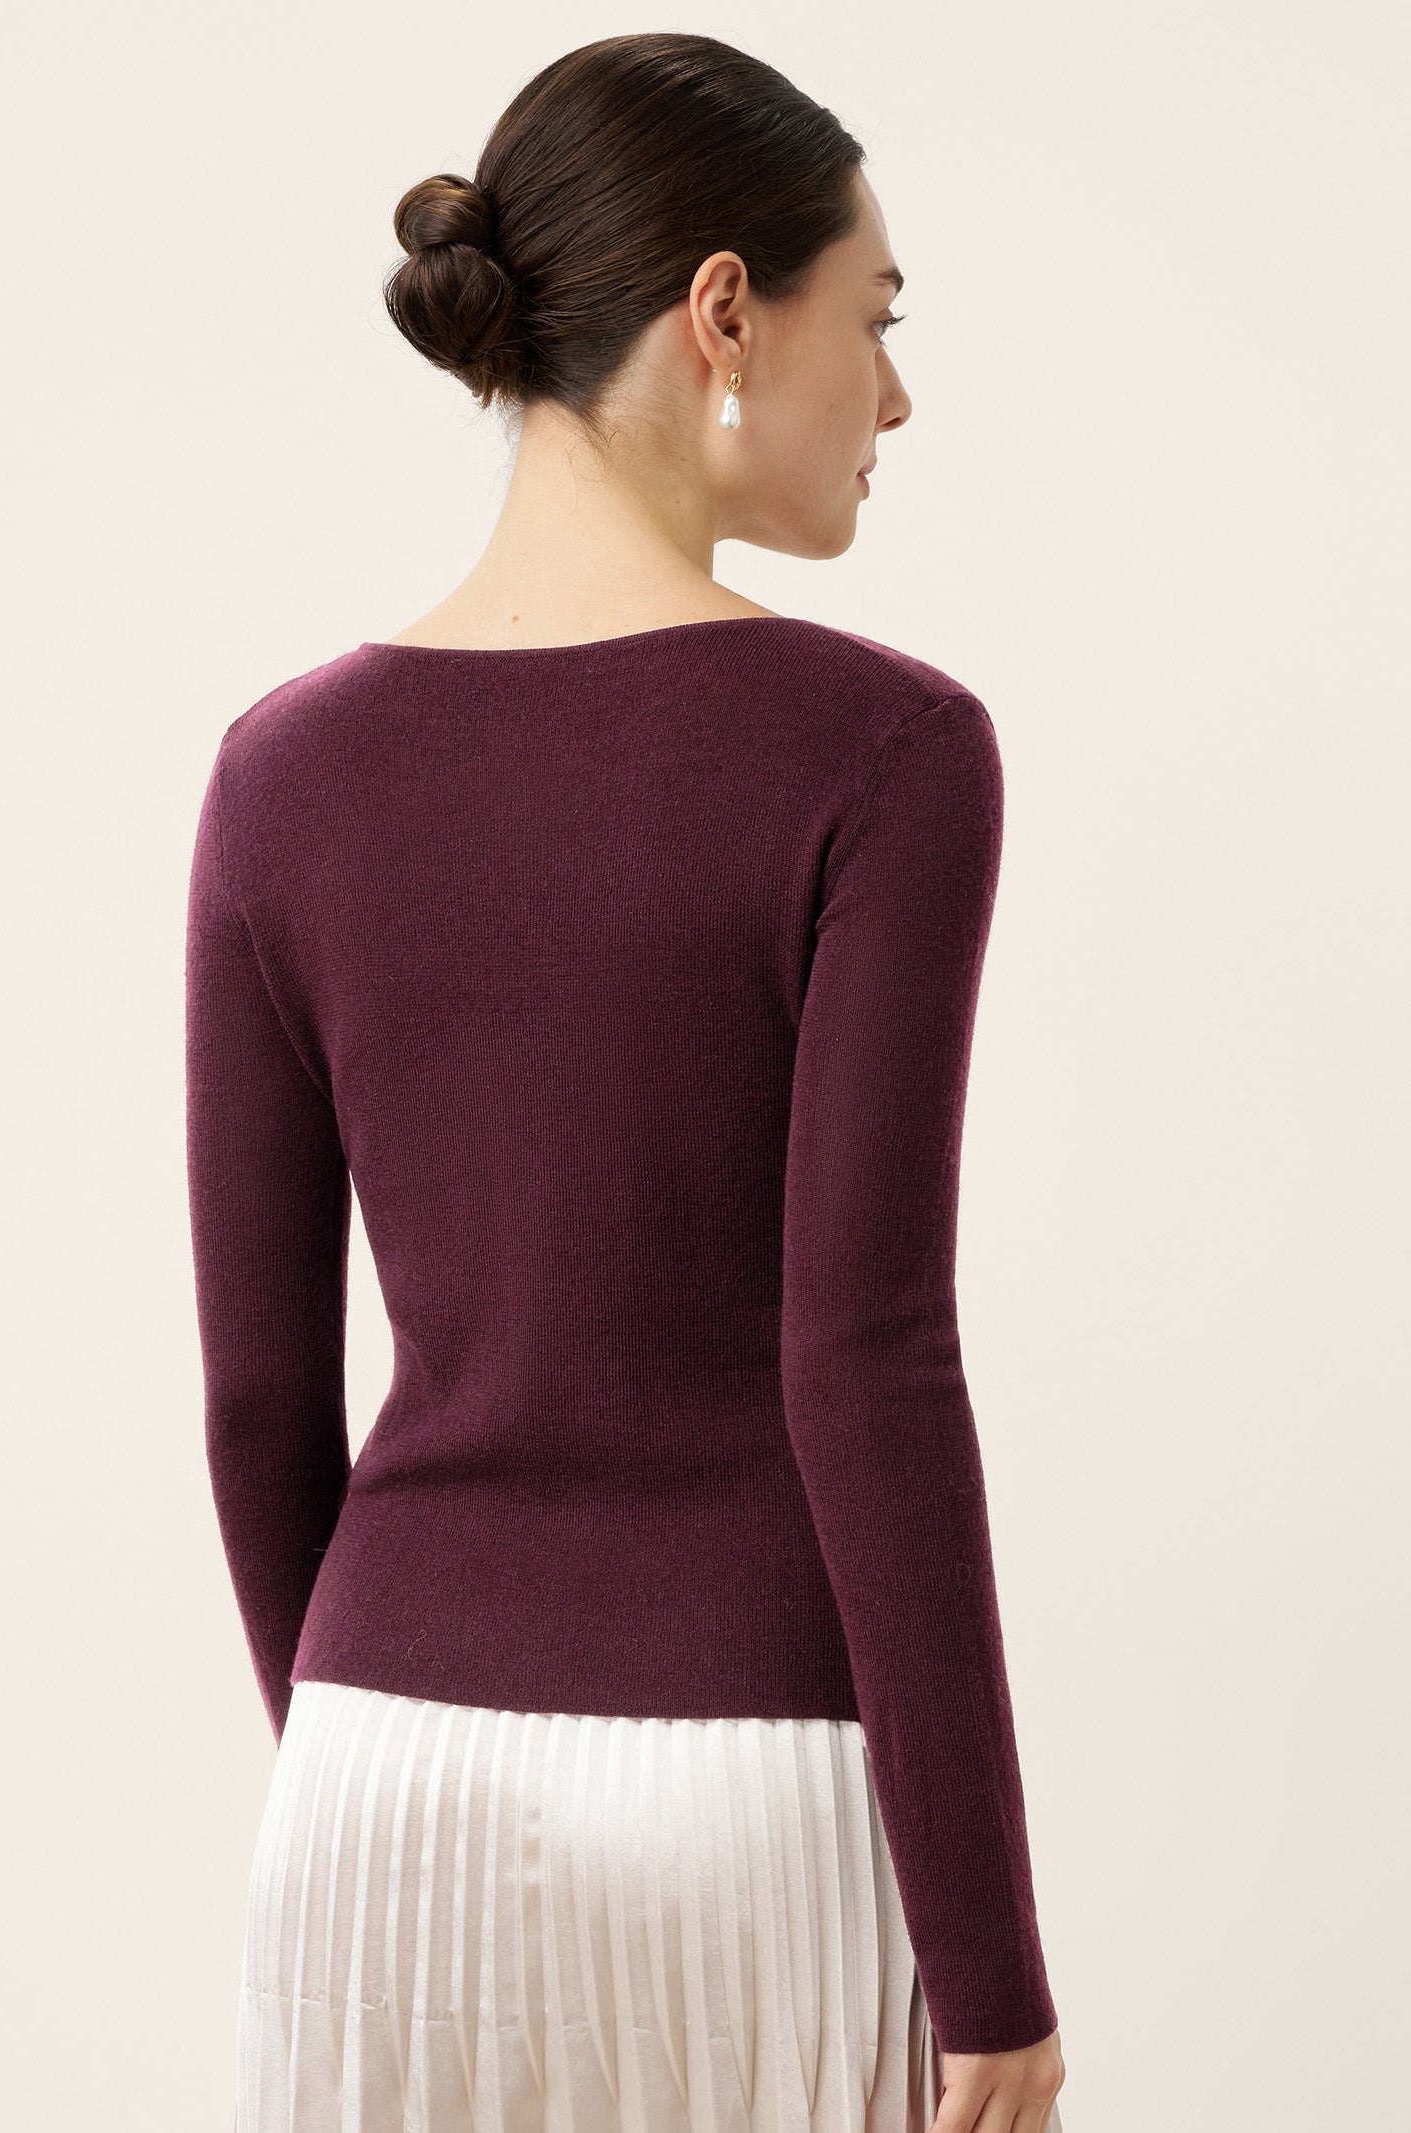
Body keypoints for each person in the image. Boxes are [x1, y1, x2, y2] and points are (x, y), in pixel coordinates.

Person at [185, 30, 1068, 2133]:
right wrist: (989, 1963)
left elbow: (254, 1399)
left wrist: (361, 1745)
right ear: (724, 313)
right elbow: (864, 1358)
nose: (896, 397)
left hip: (375, 1772)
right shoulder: (884, 752)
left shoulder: (279, 775)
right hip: (746, 1793)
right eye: (879, 318)